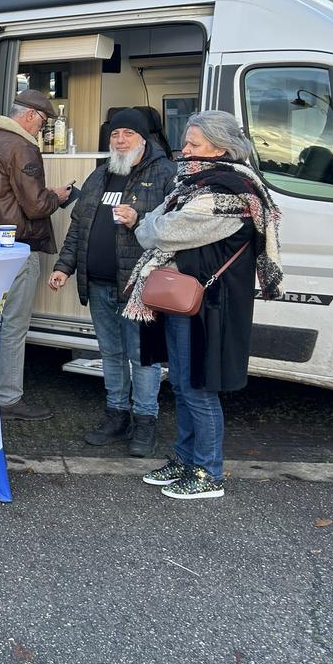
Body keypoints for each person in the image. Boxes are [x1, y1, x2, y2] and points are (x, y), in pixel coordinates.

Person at [123, 110, 284, 500]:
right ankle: (185, 458)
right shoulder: (191, 184)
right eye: (187, 141)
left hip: (213, 305)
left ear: (222, 148)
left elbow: (159, 230)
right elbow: (156, 228)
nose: (185, 149)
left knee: (199, 388)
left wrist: (152, 225)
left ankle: (208, 472)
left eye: (195, 144)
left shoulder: (230, 192)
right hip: (188, 301)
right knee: (181, 384)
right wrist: (153, 225)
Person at [49, 109, 177, 455]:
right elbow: (79, 227)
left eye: (128, 135)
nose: (120, 141)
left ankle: (145, 422)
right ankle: (116, 415)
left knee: (144, 357)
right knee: (111, 354)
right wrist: (64, 266)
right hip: (101, 284)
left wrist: (141, 219)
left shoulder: (166, 173)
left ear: (143, 139)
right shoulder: (100, 175)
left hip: (141, 287)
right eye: (115, 135)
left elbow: (175, 229)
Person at [0, 88, 73, 422]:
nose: (40, 130)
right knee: (14, 326)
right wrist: (57, 197)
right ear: (29, 115)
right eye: (42, 123)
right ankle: (9, 398)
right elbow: (35, 204)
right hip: (17, 249)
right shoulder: (23, 147)